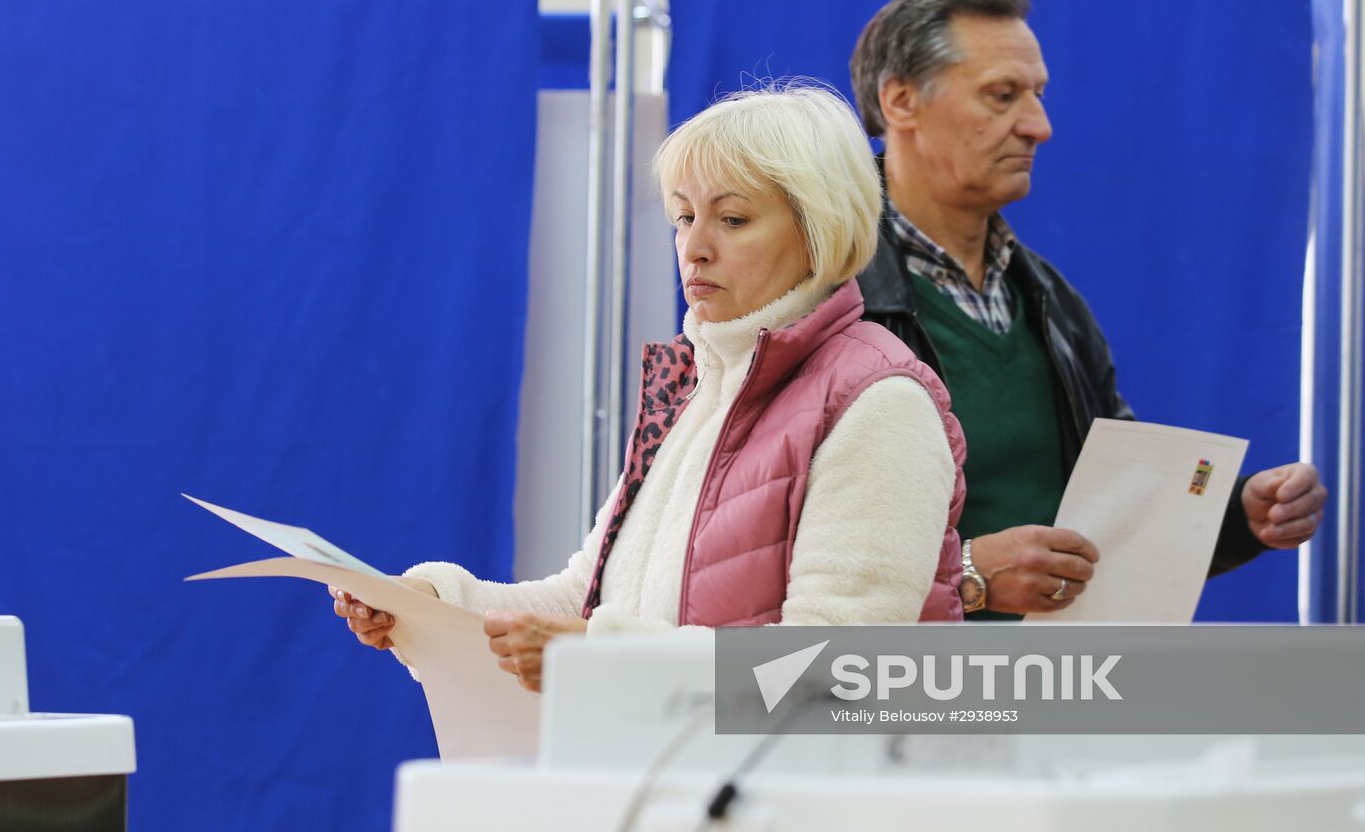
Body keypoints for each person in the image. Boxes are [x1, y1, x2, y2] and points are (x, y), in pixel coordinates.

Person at [333, 85, 970, 692]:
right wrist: (430, 606)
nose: (693, 248)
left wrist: (605, 662)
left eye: (733, 218)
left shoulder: (881, 401)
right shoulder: (697, 389)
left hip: (804, 802)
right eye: (683, 217)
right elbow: (582, 598)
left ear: (818, 232)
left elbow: (837, 671)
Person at [849, 0, 1327, 620]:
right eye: (1002, 95)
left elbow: (1117, 503)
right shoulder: (820, 297)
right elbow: (765, 543)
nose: (1038, 126)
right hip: (888, 698)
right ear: (900, 101)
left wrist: (1239, 515)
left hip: (1060, 689)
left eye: (1038, 95)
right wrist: (968, 572)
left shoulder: (1051, 300)